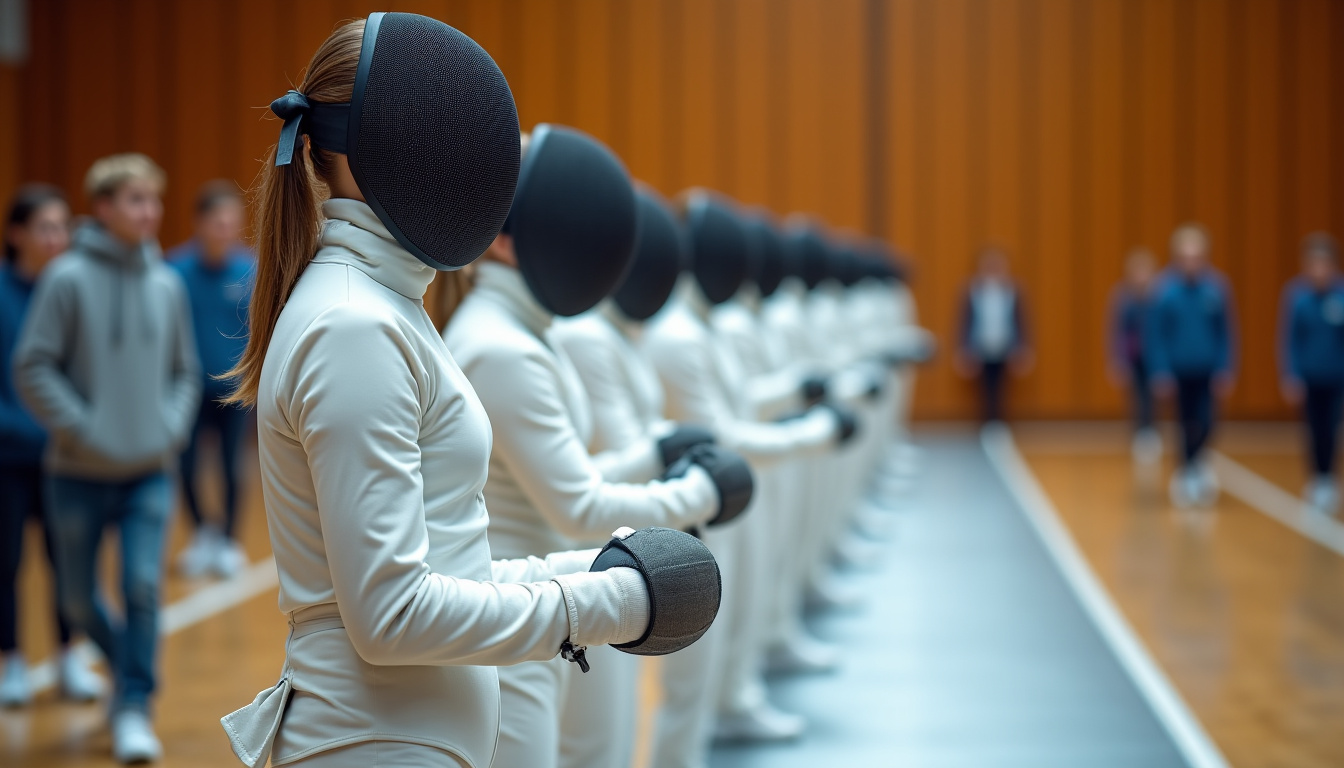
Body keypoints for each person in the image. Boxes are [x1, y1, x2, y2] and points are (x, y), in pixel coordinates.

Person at [218, 16, 721, 768]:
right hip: (377, 745)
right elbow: (392, 614)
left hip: (410, 739)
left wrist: (592, 570)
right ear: (367, 149)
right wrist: (607, 604)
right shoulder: (354, 325)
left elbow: (451, 568)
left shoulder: (385, 308)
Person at [444, 127, 751, 768]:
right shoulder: (503, 348)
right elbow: (577, 505)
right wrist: (696, 493)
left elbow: (572, 477)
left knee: (601, 750)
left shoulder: (529, 333)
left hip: (548, 593)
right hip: (514, 614)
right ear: (502, 239)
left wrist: (656, 452)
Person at [13, 154, 199, 762]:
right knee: (74, 600)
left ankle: (133, 706)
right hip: (77, 475)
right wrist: (81, 426)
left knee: (142, 587)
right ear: (102, 207)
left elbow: (185, 371)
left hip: (149, 472)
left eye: (154, 199)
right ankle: (129, 672)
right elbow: (32, 365)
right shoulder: (65, 279)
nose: (150, 211)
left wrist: (170, 427)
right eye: (135, 199)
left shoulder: (166, 284)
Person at [0, 184, 103, 707]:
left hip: (67, 455)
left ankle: (69, 657)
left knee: (70, 562)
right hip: (9, 459)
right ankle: (12, 662)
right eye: (44, 227)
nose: (56, 238)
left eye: (62, 227)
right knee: (6, 563)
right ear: (16, 234)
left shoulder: (74, 289)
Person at [168, 180, 255, 578]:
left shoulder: (250, 270)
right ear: (200, 223)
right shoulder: (174, 272)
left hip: (234, 390)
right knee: (186, 467)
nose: (225, 229)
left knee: (232, 466)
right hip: (187, 389)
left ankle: (229, 542)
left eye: (232, 221)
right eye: (218, 221)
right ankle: (204, 534)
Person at [1146, 223, 1237, 507]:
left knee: (1207, 421)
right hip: (1178, 371)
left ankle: (1198, 464)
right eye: (1185, 257)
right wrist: (1160, 369)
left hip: (1207, 370)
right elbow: (1156, 334)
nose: (1191, 263)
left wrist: (1225, 366)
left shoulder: (1217, 288)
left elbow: (1226, 332)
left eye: (1196, 257)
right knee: (1184, 423)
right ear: (1176, 258)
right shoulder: (1164, 290)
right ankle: (1186, 472)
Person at [1279, 232, 1344, 514]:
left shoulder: (1341, 295)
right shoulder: (1297, 296)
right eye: (1313, 264)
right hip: (1308, 378)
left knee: (1332, 428)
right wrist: (1291, 374)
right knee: (1313, 430)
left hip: (1337, 377)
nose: (1318, 270)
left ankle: (1329, 477)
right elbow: (1289, 339)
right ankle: (1316, 478)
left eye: (1323, 264)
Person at [957, 246, 1031, 423]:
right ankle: (986, 423)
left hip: (1005, 346)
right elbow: (964, 322)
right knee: (984, 389)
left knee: (1003, 388)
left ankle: (1000, 422)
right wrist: (963, 349)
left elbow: (1022, 322)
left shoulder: (1013, 291)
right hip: (980, 346)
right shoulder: (972, 291)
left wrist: (1023, 348)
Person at [1109, 248, 1162, 464]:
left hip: (1155, 355)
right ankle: (1140, 432)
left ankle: (1151, 431)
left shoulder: (1159, 296)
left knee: (1153, 394)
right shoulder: (1123, 297)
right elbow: (1116, 331)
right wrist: (1117, 360)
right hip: (1133, 356)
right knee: (1137, 395)